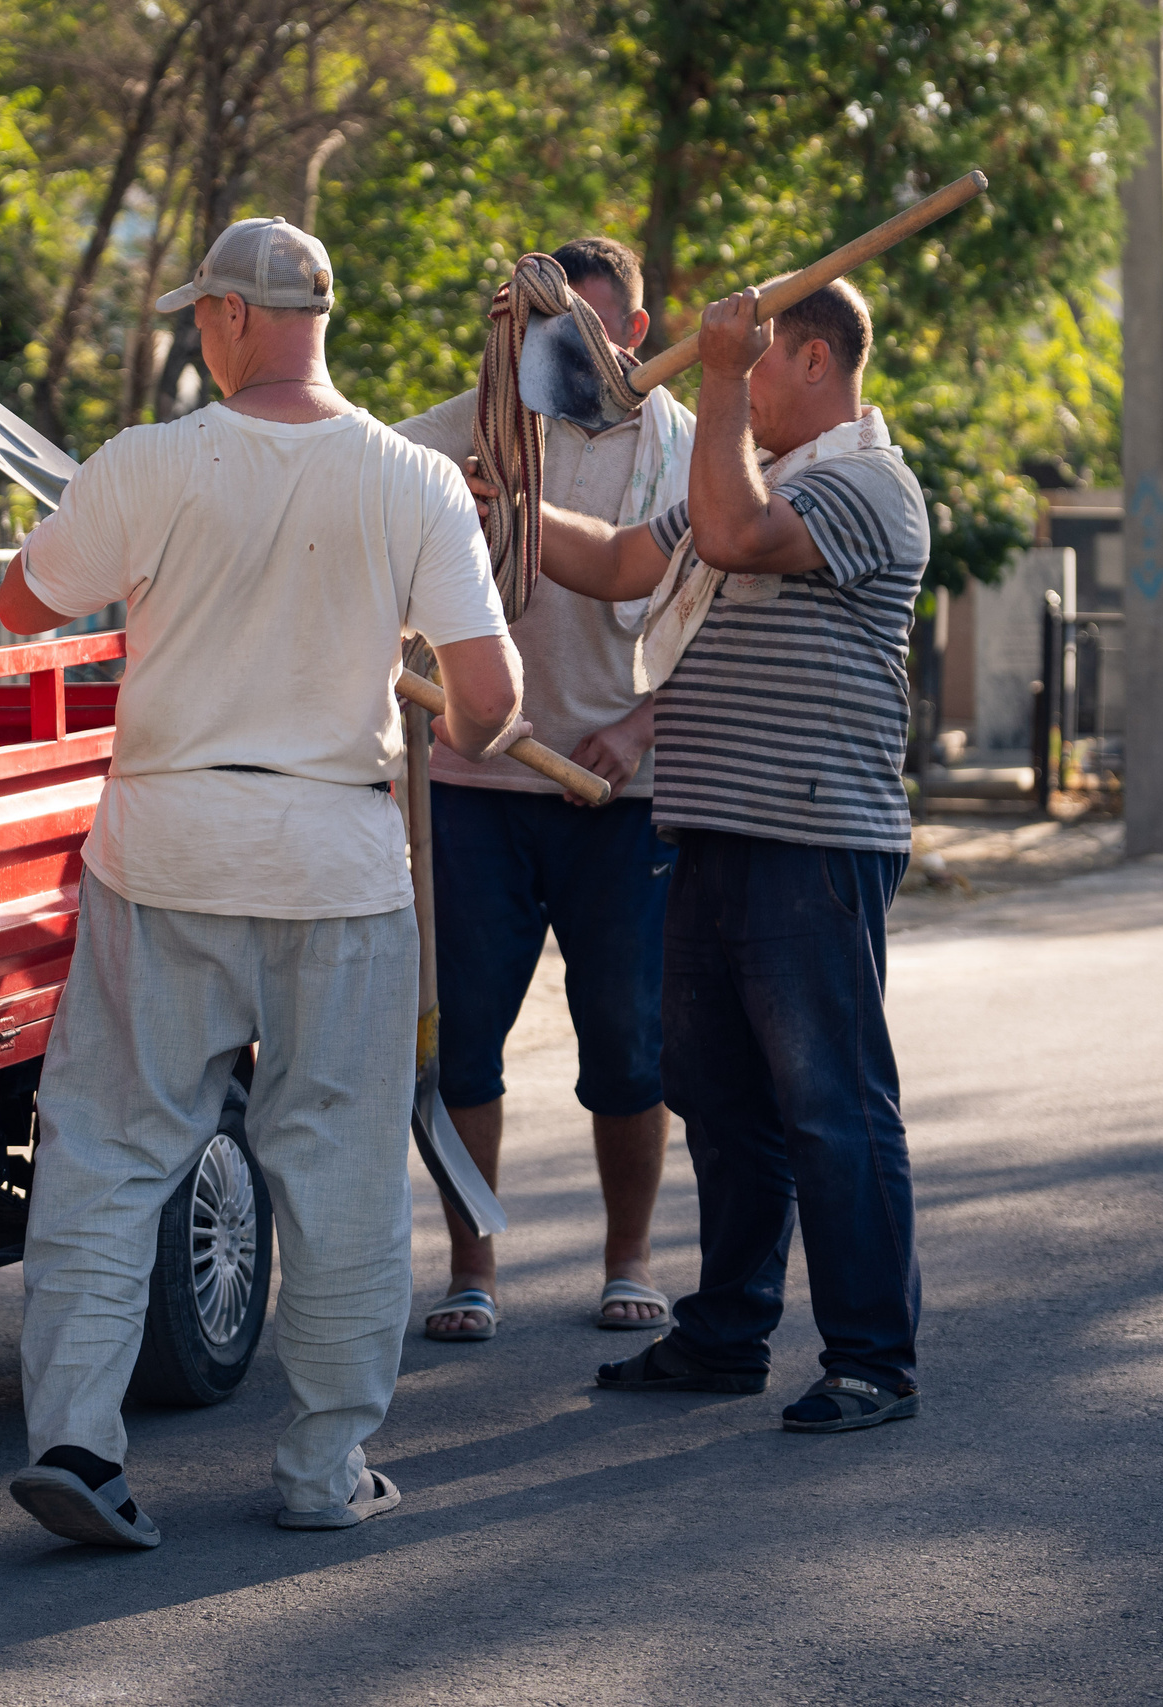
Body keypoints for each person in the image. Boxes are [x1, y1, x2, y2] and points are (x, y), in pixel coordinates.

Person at [0, 216, 526, 1547]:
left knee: (110, 1148)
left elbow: (20, 604)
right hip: (338, 860)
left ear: (233, 315)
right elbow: (487, 703)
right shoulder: (416, 482)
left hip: (165, 846)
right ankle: (323, 1468)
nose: (196, 333)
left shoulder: (146, 462)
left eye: (200, 314)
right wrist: (442, 701)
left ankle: (78, 1446)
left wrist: (94, 539)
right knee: (339, 1169)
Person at [495, 274, 927, 1433]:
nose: (725, 369)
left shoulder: (865, 485)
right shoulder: (749, 479)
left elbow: (734, 537)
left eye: (754, 355)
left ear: (815, 361)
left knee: (830, 1105)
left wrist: (718, 379)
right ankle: (726, 1336)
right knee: (722, 1103)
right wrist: (506, 508)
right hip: (711, 829)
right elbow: (619, 562)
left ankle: (872, 1362)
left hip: (809, 838)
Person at [393, 236, 696, 1342]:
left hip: (622, 794)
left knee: (628, 1041)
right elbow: (351, 478)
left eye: (585, 336)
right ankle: (471, 1268)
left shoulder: (690, 452)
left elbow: (712, 613)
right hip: (475, 779)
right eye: (538, 335)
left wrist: (640, 725)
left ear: (634, 335)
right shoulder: (468, 429)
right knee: (462, 1039)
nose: (555, 359)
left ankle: (629, 1259)